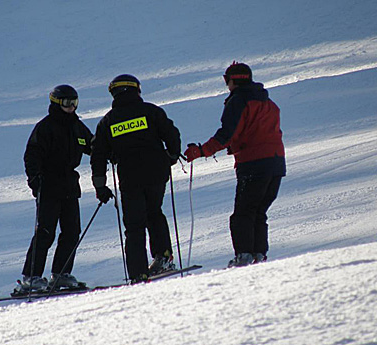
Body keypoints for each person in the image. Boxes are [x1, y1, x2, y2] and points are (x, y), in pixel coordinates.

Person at [184, 62, 285, 268]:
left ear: (235, 80)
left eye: (226, 79)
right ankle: (258, 255)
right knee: (258, 211)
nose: (226, 85)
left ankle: (244, 257)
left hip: (253, 163)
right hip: (276, 163)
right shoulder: (268, 102)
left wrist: (202, 151)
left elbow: (227, 134)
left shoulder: (239, 101)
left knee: (243, 214)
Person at [90, 74, 181, 283]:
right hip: (157, 173)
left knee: (134, 225)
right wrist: (172, 156)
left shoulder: (108, 121)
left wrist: (100, 186)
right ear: (136, 90)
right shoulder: (152, 111)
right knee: (154, 212)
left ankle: (138, 272)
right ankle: (163, 256)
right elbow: (172, 134)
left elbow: (98, 155)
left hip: (130, 178)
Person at [18, 84, 93, 292]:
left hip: (69, 186)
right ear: (56, 103)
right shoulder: (45, 127)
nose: (72, 107)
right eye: (68, 103)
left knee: (71, 231)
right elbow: (31, 155)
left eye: (75, 103)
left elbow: (92, 145)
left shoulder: (77, 127)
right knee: (45, 232)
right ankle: (30, 277)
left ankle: (61, 274)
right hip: (49, 186)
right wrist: (35, 180)